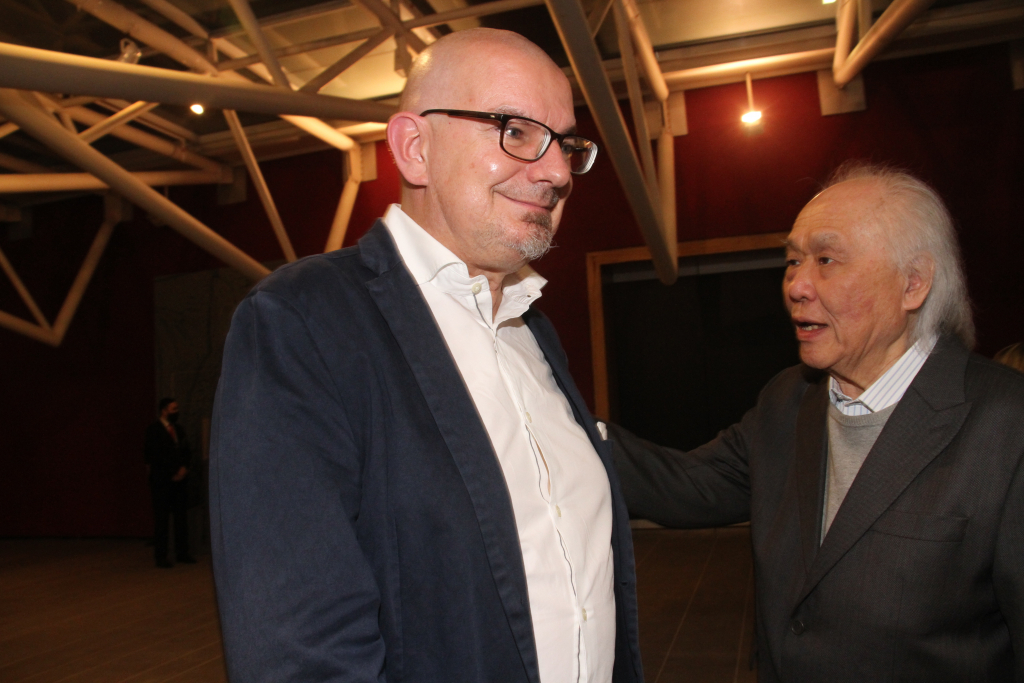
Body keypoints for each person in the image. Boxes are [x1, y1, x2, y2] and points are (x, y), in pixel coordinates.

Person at [210, 29, 642, 683]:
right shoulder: (303, 320)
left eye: (566, 144)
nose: (557, 172)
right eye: (516, 131)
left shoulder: (533, 330)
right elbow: (302, 656)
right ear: (415, 148)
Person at [611, 163, 1024, 682]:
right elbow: (688, 485)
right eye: (792, 261)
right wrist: (558, 423)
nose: (797, 285)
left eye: (826, 260)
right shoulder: (788, 399)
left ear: (913, 283)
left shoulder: (1006, 426)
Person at [144, 397, 195, 567]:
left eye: (177, 409)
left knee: (181, 518)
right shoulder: (153, 431)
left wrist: (184, 468)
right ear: (164, 411)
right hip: (162, 481)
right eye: (173, 409)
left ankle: (182, 553)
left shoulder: (179, 429)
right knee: (162, 520)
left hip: (180, 481)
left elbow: (187, 451)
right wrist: (173, 471)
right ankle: (161, 556)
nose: (176, 412)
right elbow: (154, 456)